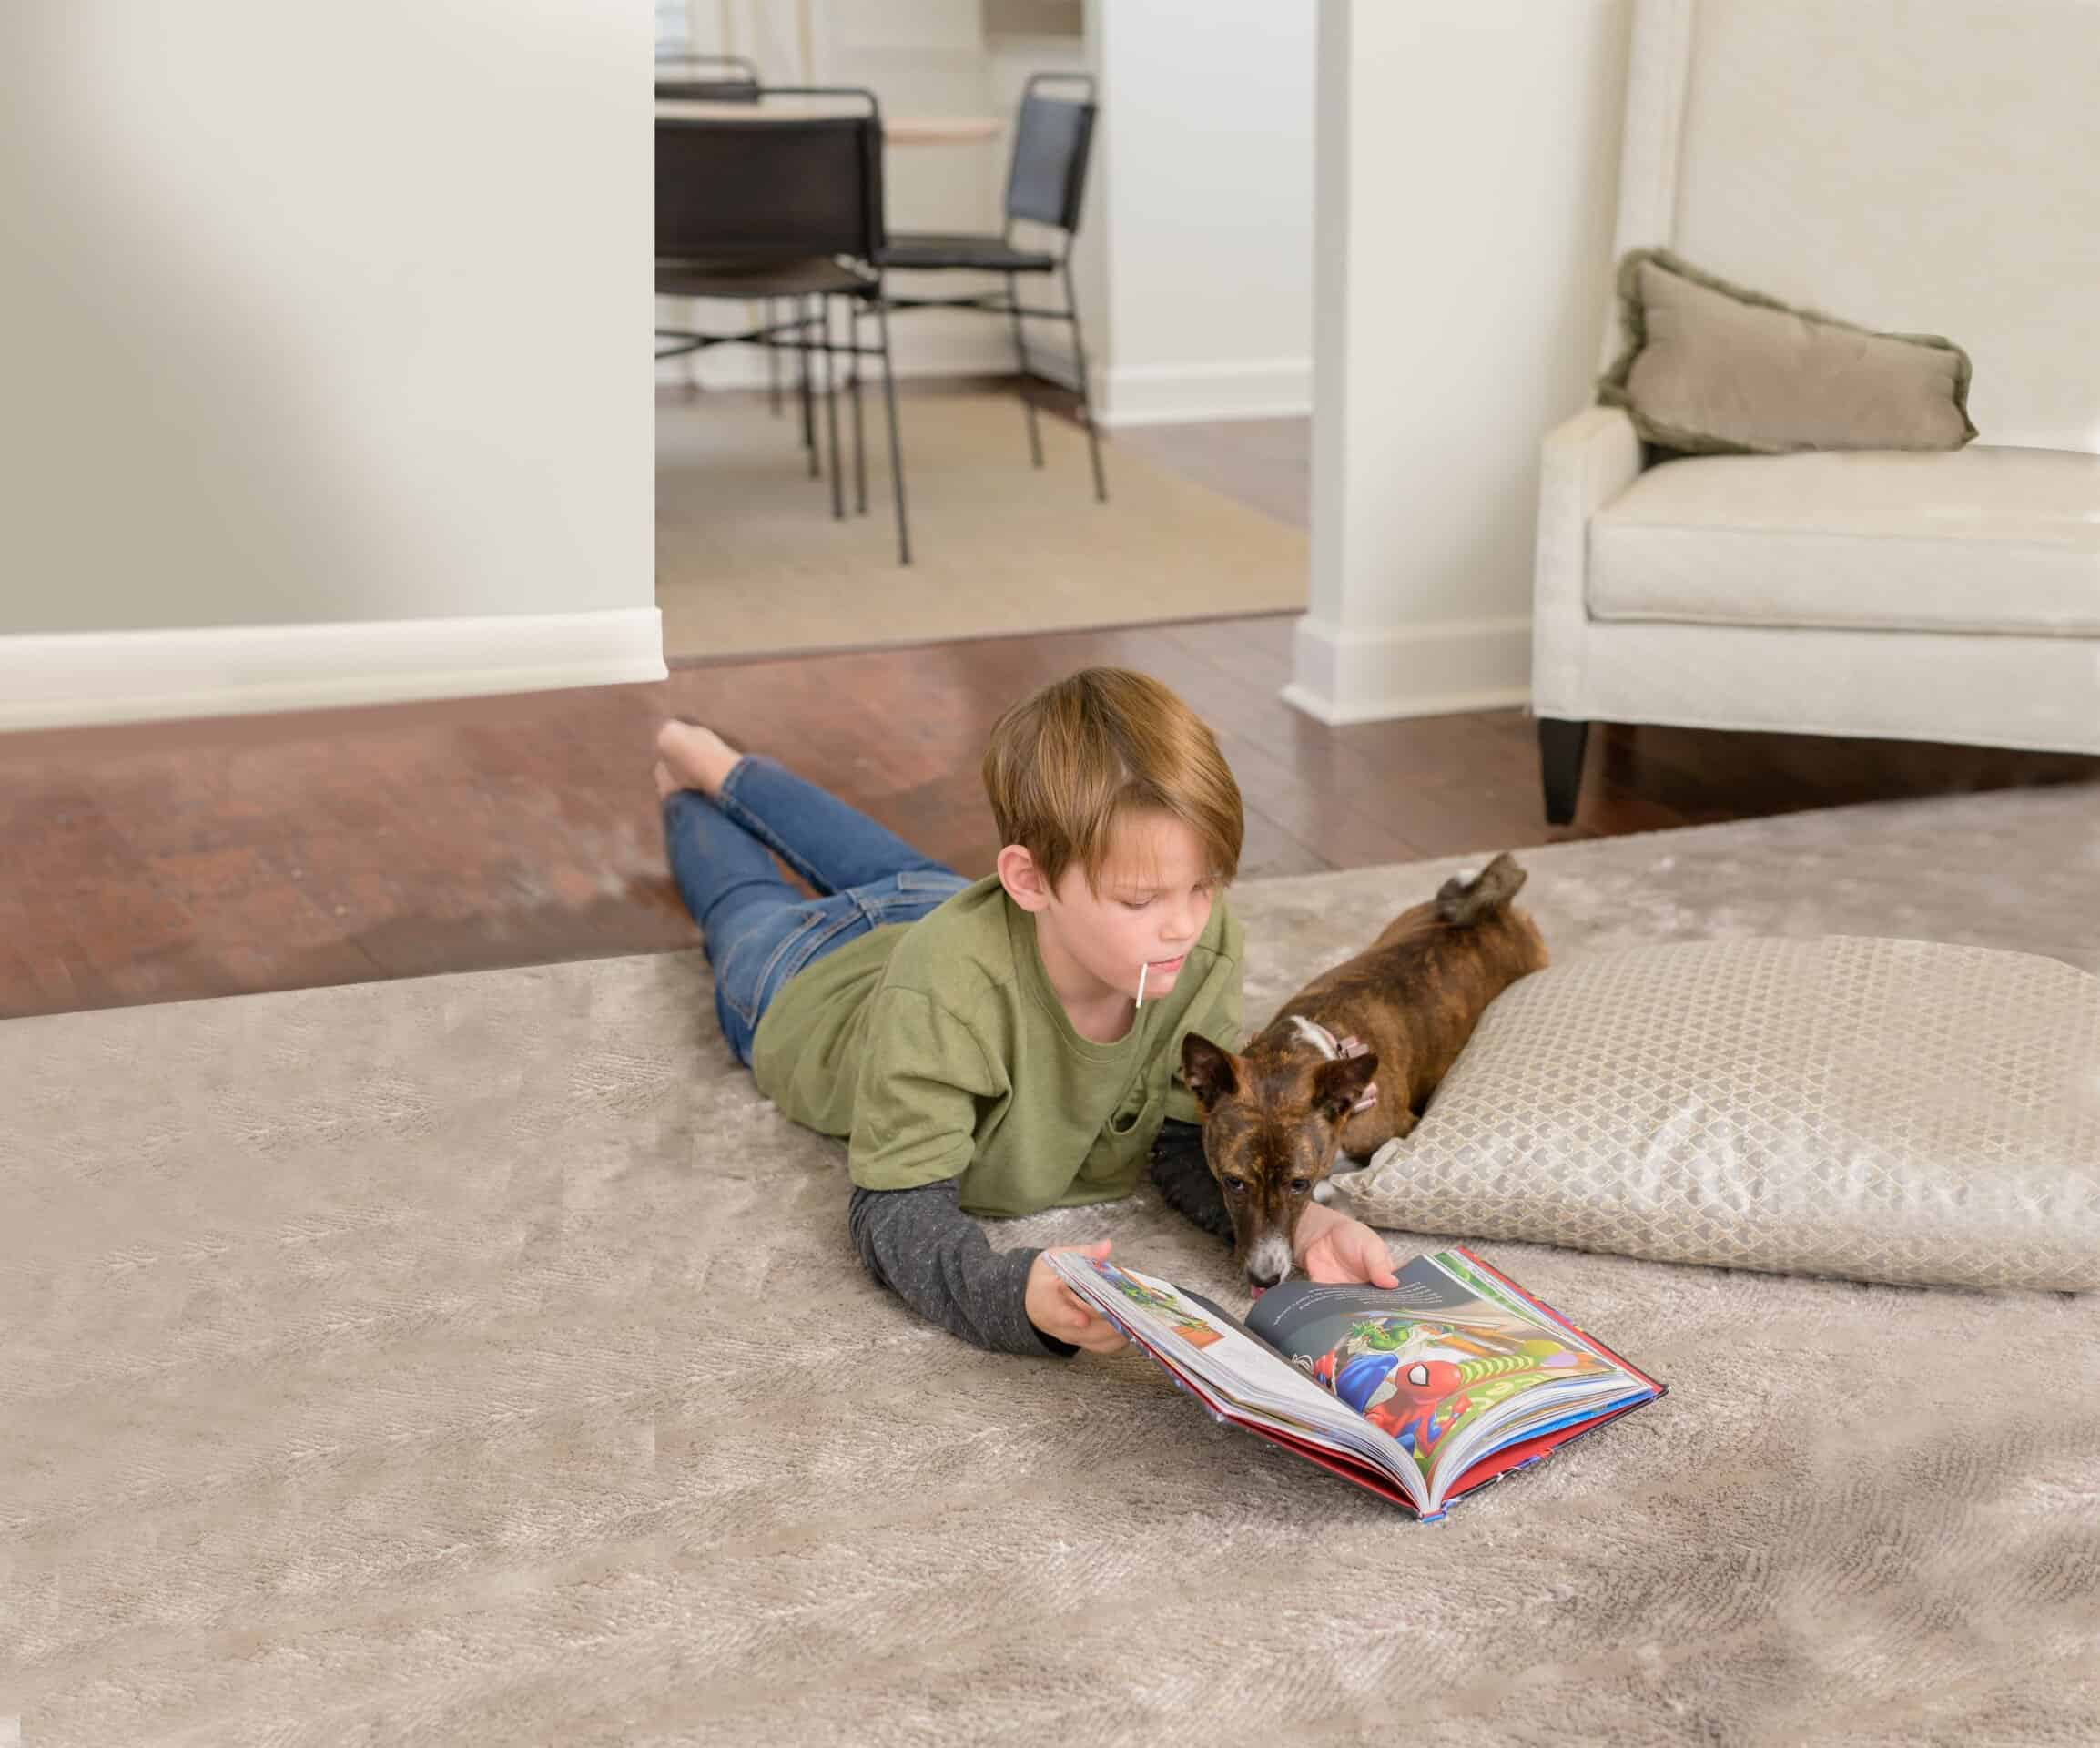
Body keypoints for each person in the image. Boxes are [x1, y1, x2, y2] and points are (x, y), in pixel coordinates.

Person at [655, 666, 1399, 1359]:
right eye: (1141, 899)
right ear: (1032, 882)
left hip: (938, 904)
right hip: (803, 974)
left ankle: (723, 766)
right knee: (741, 903)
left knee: (894, 869)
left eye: (1203, 886)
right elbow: (894, 1208)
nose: (1184, 924)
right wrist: (1009, 1295)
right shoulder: (944, 989)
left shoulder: (1193, 943)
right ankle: (683, 783)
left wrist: (1307, 1223)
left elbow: (1182, 1141)